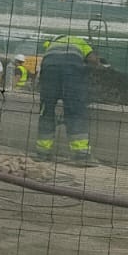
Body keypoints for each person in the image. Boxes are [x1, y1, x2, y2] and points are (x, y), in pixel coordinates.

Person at [35, 34, 107, 165]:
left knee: (46, 110)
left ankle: (42, 153)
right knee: (75, 109)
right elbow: (92, 59)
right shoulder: (80, 41)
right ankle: (81, 155)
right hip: (71, 71)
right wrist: (99, 65)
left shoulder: (51, 44)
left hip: (49, 70)